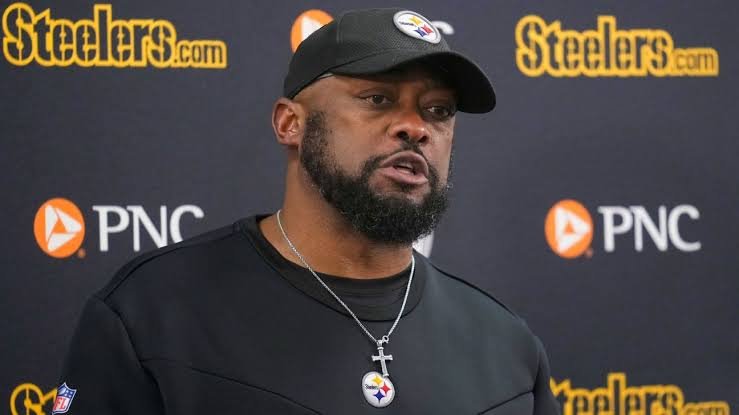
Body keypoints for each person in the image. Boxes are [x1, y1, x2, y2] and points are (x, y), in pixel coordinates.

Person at [55, 7, 560, 415]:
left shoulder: (505, 346)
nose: (415, 127)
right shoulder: (152, 314)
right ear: (289, 124)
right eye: (378, 98)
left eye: (439, 111)